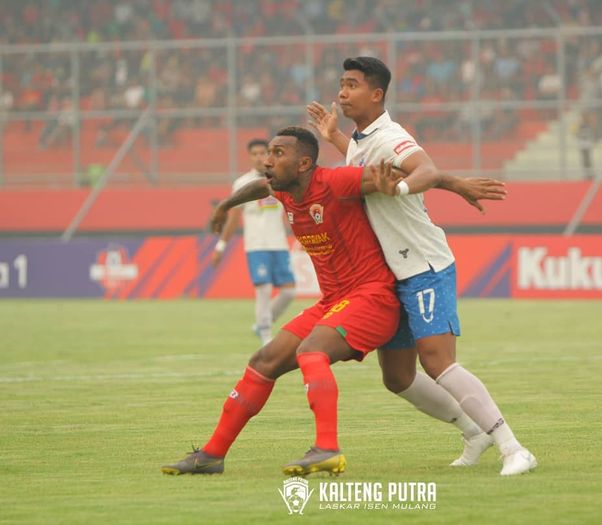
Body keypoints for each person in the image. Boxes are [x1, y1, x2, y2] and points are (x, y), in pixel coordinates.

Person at [161, 127, 502, 477]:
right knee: (264, 360)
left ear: (304, 163)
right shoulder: (284, 187)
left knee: (312, 351)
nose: (267, 161)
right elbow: (258, 186)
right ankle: (212, 455)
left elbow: (405, 173)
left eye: (278, 154)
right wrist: (226, 204)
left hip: (373, 297)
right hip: (335, 300)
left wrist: (455, 183)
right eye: (269, 154)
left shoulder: (337, 183)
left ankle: (327, 448)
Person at [307, 56, 537, 475]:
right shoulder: (363, 139)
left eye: (352, 85)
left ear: (376, 94)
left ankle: (513, 447)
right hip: (390, 276)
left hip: (423, 266)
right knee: (397, 377)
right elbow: (365, 160)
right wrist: (336, 137)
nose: (342, 92)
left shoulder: (391, 135)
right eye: (341, 84)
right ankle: (474, 430)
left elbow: (424, 168)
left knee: (438, 362)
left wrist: (399, 187)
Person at [213, 138, 296, 345]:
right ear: (250, 157)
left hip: (279, 244)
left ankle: (262, 324)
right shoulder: (242, 184)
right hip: (256, 245)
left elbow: (289, 211)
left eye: (263, 153)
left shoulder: (280, 180)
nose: (260, 157)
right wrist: (221, 245)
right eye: (255, 154)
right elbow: (233, 218)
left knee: (289, 291)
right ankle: (266, 338)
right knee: (264, 290)